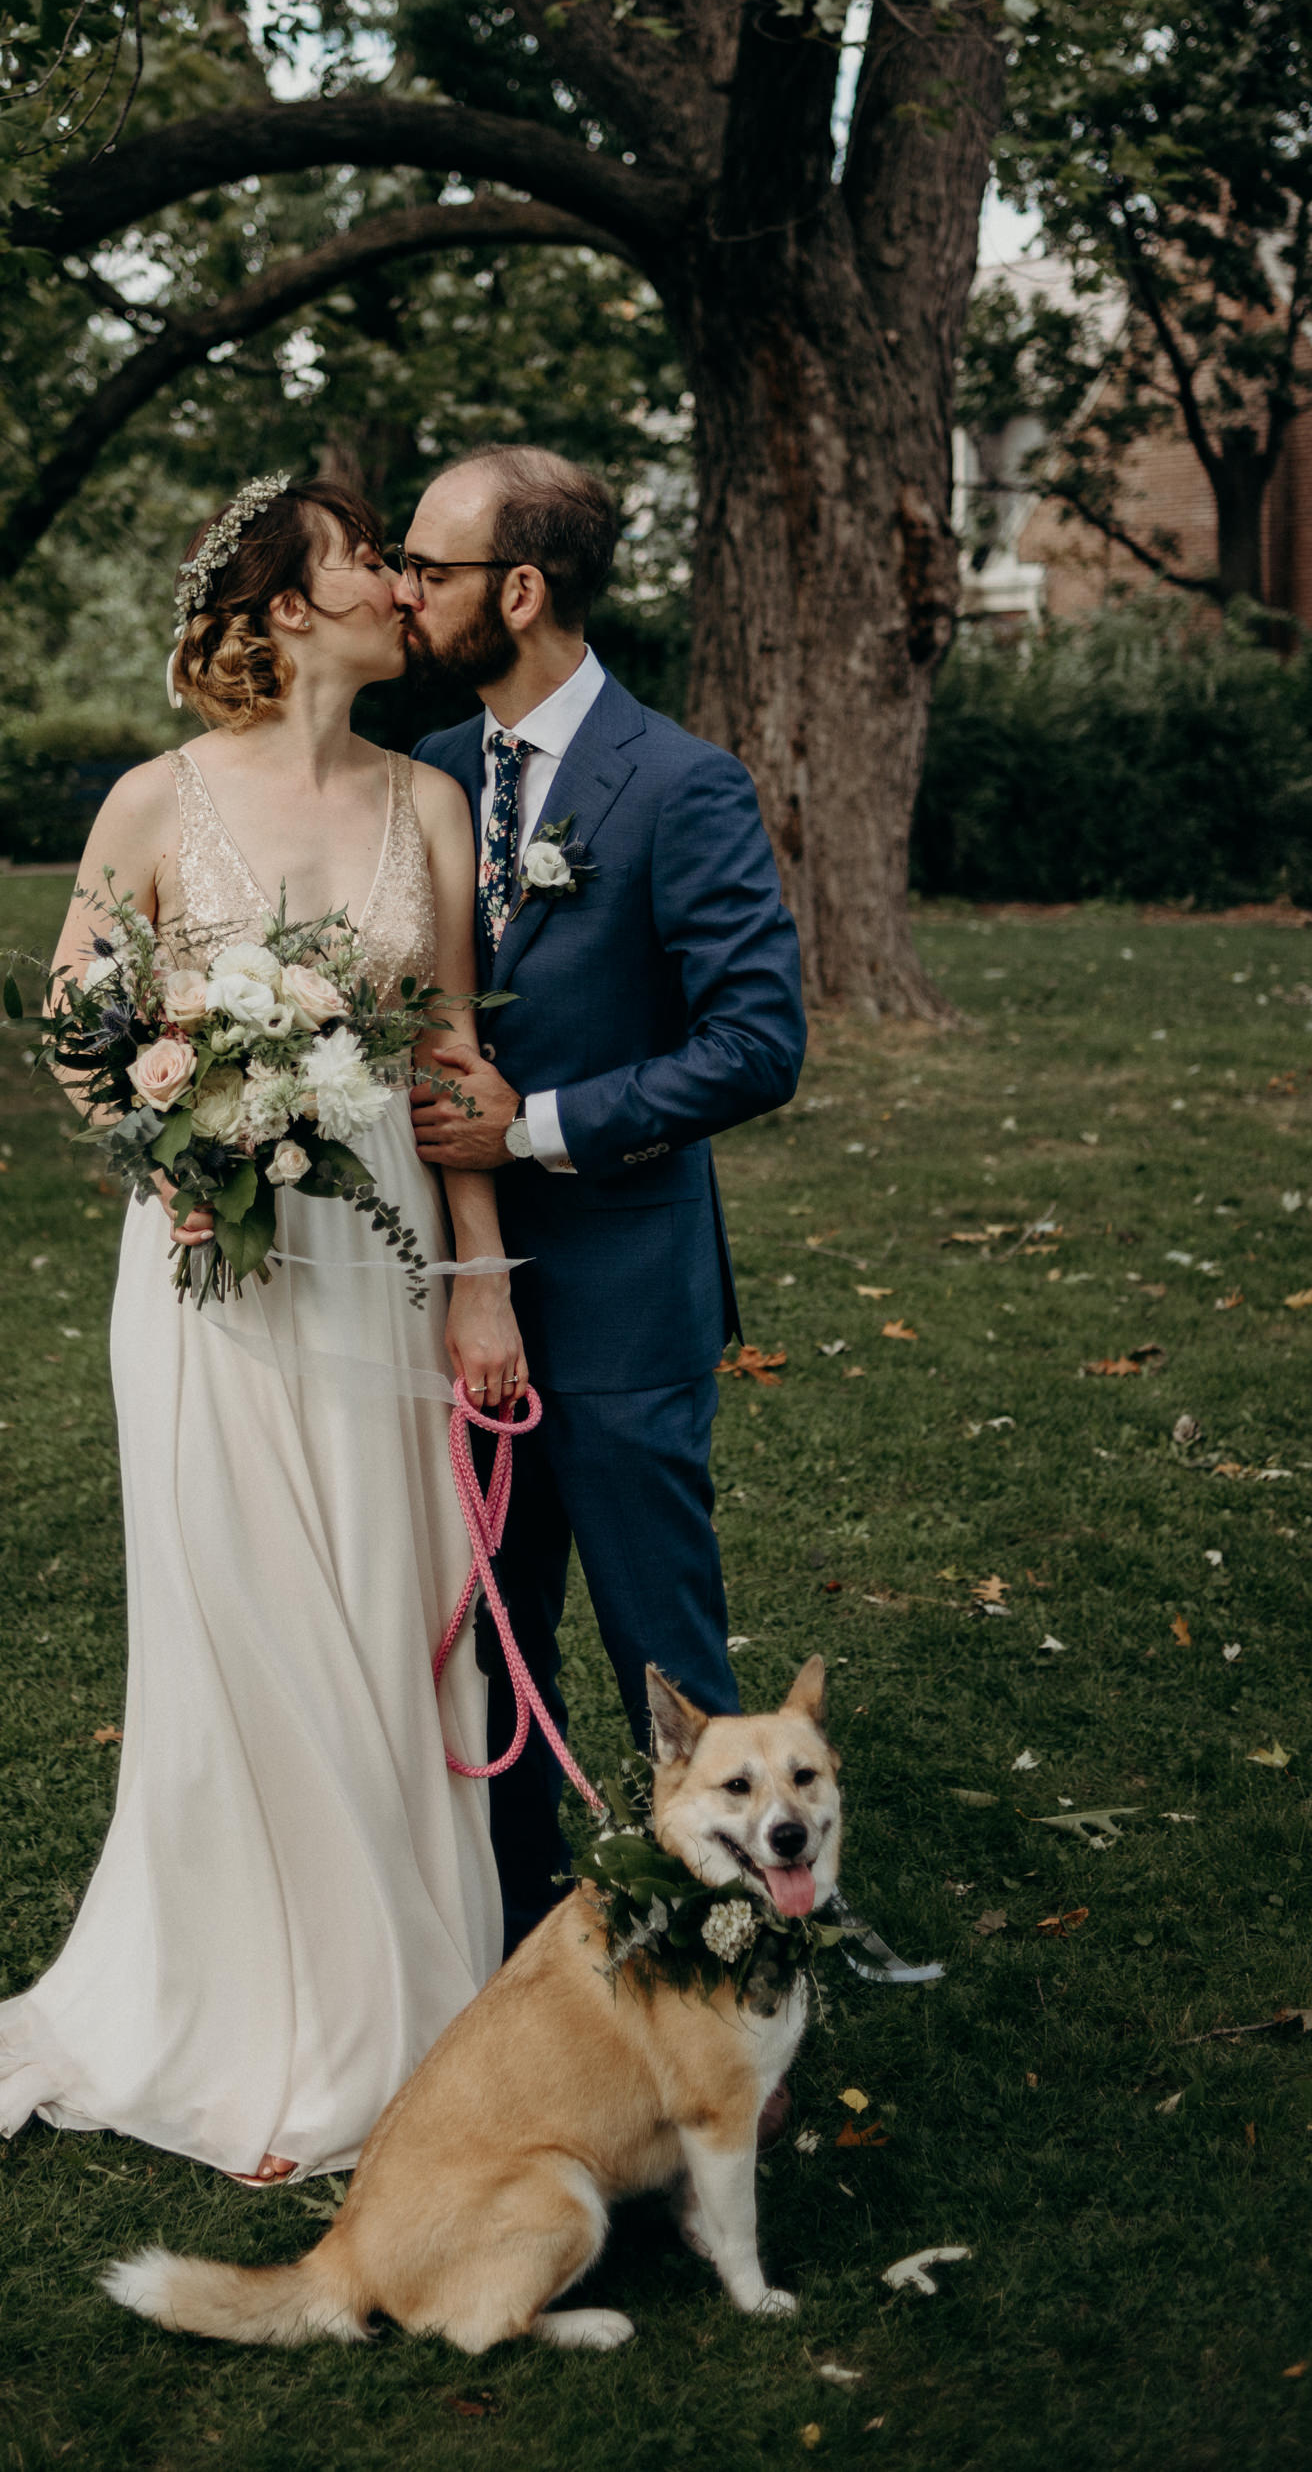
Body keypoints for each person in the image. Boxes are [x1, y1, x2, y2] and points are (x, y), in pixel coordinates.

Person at [0, 479, 516, 2182]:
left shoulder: (433, 810)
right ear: (282, 609)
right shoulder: (151, 803)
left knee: (388, 1610)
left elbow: (454, 1067)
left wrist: (483, 1274)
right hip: (211, 1266)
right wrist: (183, 1138)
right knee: (241, 1616)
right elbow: (77, 1032)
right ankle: (233, 2007)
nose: (400, 583)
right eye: (361, 560)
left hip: (388, 1255)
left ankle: (400, 2011)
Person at [401, 445, 806, 1951]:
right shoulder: (429, 777)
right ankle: (518, 1938)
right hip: (455, 1303)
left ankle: (734, 1955)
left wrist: (541, 1126)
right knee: (488, 1644)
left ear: (520, 589)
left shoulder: (683, 785)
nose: (404, 588)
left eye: (430, 567)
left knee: (665, 1656)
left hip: (628, 1300)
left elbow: (759, 1045)